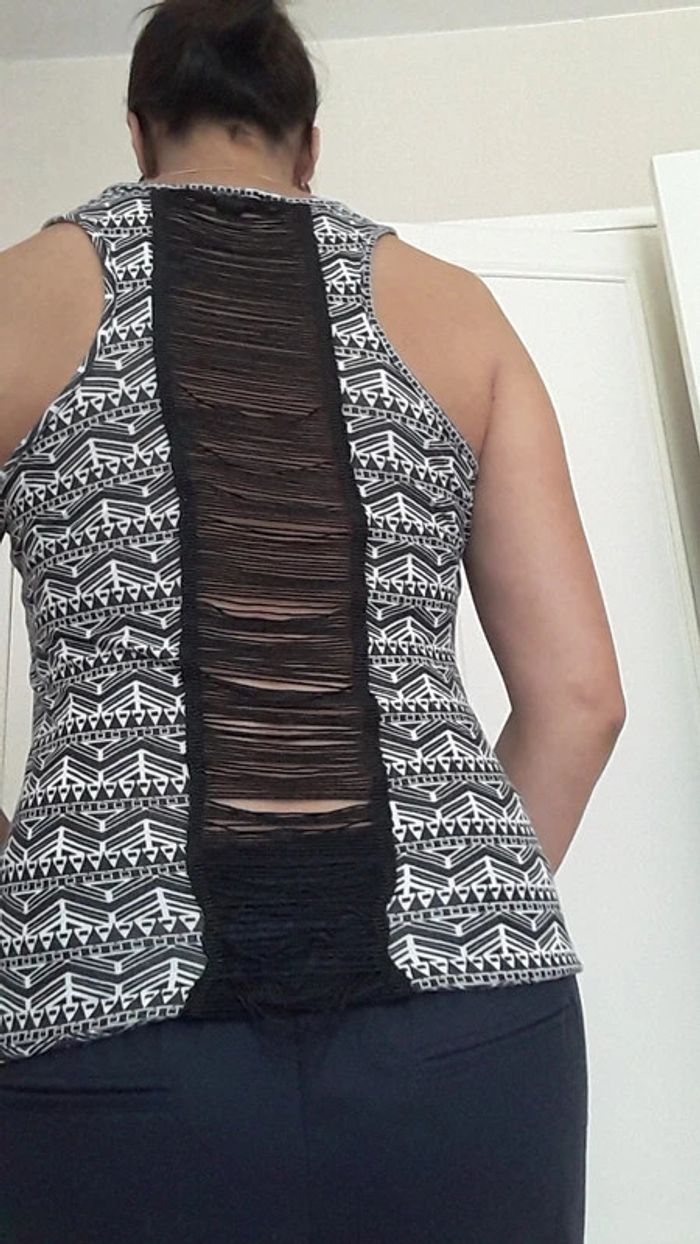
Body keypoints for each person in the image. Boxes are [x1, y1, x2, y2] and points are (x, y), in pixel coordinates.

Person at [0, 0, 626, 1240]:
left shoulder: (19, 296)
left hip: (109, 1016)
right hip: (469, 1037)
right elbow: (580, 699)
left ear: (139, 130)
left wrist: (36, 903)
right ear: (310, 146)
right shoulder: (457, 312)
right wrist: (456, 903)